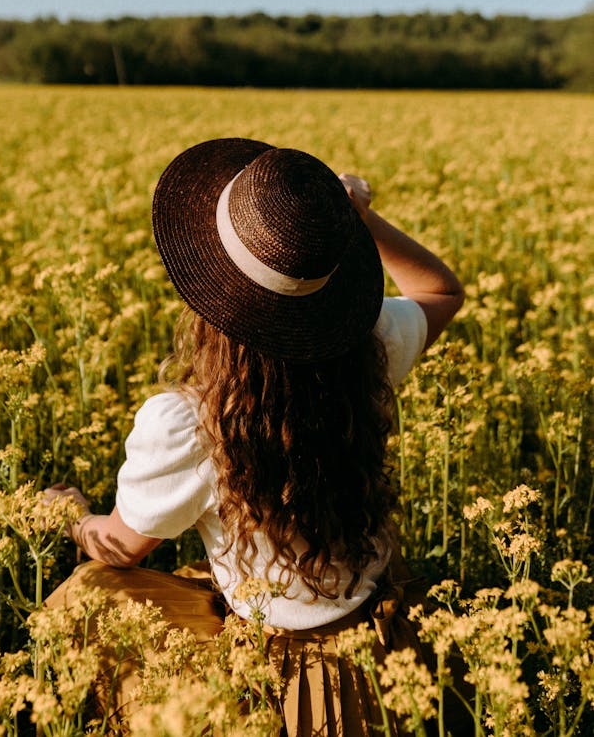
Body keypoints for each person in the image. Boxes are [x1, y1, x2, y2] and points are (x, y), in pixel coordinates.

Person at [45, 138, 470, 734]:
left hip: (286, 679)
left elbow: (122, 546)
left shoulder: (191, 424)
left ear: (210, 291)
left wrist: (71, 517)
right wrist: (364, 222)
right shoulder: (370, 347)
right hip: (385, 647)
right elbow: (442, 291)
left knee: (86, 596)